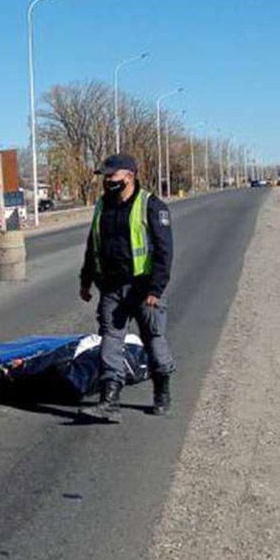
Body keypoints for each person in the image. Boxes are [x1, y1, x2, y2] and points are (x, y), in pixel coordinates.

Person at [78, 154, 176, 422]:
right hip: (111, 287)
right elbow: (92, 245)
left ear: (129, 176)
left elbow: (164, 252)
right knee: (110, 338)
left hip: (144, 288)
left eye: (112, 176)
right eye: (105, 177)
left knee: (153, 339)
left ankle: (162, 392)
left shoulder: (151, 206)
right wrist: (85, 280)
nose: (107, 181)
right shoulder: (103, 206)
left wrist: (155, 289)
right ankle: (109, 400)